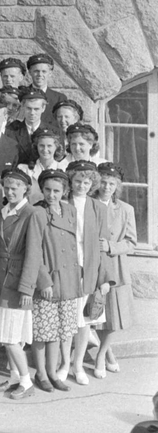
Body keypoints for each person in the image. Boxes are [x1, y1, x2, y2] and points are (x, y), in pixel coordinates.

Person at [0, 167, 45, 400]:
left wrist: (26, 288)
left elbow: (34, 254)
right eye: (7, 187)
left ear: (26, 189)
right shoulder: (1, 211)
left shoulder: (32, 213)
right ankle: (14, 377)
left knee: (11, 338)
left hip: (17, 284)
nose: (11, 191)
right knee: (6, 335)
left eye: (16, 187)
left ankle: (26, 381)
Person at [32, 168, 81, 392]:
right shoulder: (37, 212)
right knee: (43, 331)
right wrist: (44, 281)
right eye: (48, 190)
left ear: (65, 191)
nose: (52, 195)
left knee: (59, 330)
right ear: (42, 190)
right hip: (49, 279)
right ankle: (41, 373)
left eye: (57, 191)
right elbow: (34, 251)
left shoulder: (70, 210)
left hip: (68, 280)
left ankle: (52, 372)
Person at [64, 159, 111, 387]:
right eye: (77, 180)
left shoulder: (98, 208)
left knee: (83, 321)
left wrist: (104, 279)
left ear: (92, 183)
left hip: (90, 267)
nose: (82, 185)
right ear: (70, 181)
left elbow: (104, 246)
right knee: (66, 319)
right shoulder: (62, 202)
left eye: (86, 181)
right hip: (65, 267)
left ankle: (78, 364)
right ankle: (64, 364)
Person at [94, 161, 135, 379]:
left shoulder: (126, 209)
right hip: (93, 266)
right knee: (96, 314)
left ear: (117, 186)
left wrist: (111, 246)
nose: (107, 187)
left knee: (113, 317)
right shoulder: (89, 204)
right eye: (103, 182)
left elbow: (131, 242)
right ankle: (108, 352)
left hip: (115, 267)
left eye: (111, 183)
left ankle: (101, 355)